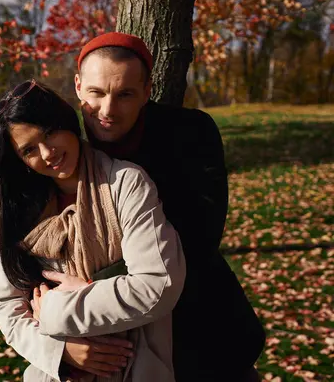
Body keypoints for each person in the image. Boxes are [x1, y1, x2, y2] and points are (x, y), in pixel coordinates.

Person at [69, 32, 265, 382]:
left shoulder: (192, 132)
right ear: (79, 86)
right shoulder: (63, 149)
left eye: (125, 94)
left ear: (147, 91)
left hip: (206, 338)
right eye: (96, 93)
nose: (108, 111)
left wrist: (81, 294)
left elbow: (197, 240)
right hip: (114, 354)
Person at [0, 80, 186, 381]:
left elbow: (158, 284)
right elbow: (5, 303)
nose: (47, 153)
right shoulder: (24, 213)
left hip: (135, 367)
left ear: (67, 122)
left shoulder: (125, 183)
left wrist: (57, 311)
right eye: (29, 150)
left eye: (50, 133)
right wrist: (61, 351)